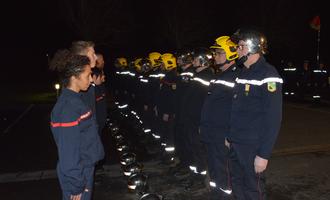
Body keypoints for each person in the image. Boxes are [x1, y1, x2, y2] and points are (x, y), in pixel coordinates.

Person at [228, 29, 283, 199]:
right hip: (236, 142)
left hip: (252, 147)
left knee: (253, 189)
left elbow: (273, 118)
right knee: (236, 184)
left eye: (240, 46)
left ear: (253, 47)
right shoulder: (241, 72)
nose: (237, 50)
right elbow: (236, 109)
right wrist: (229, 137)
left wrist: (263, 154)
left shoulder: (268, 74)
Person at [50, 53, 104, 200]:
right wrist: (76, 185)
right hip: (78, 174)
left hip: (84, 169)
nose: (90, 78)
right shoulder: (68, 108)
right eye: (87, 75)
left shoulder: (76, 100)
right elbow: (68, 153)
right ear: (74, 77)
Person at [200, 36, 239, 199]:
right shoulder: (218, 76)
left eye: (218, 53)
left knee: (224, 171)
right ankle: (216, 194)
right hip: (211, 133)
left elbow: (237, 110)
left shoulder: (235, 76)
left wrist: (230, 135)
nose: (215, 56)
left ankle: (225, 196)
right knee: (214, 167)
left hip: (222, 134)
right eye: (214, 53)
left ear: (230, 53)